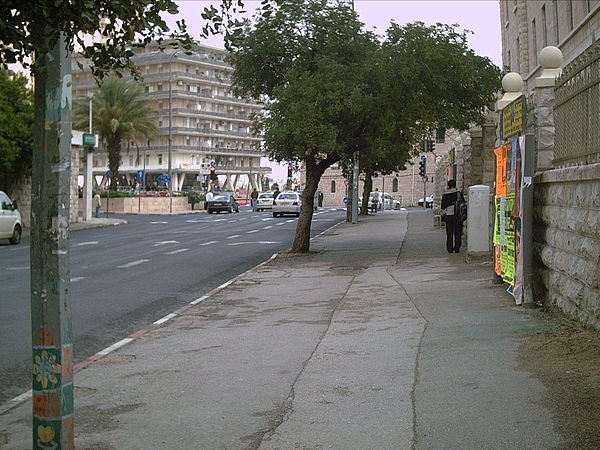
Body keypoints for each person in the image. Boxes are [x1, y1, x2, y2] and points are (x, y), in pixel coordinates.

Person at [441, 179, 463, 253]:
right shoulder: (458, 194)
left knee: (449, 233)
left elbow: (443, 207)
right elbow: (462, 204)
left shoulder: (445, 195)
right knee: (458, 232)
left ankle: (449, 248)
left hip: (449, 216)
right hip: (457, 215)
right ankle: (457, 247)